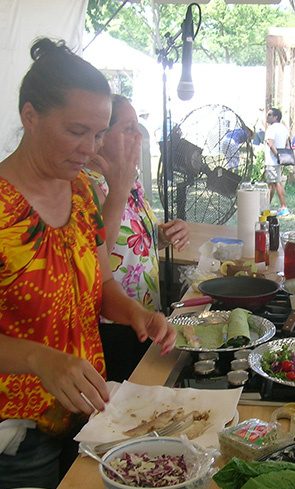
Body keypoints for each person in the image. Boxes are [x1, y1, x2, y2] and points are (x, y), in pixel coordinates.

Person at [0, 39, 177, 489]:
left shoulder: (80, 189)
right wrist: (38, 358)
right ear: (30, 116)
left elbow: (99, 286)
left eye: (99, 134)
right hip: (5, 430)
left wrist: (136, 314)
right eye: (77, 131)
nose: (91, 148)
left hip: (80, 411)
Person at [84, 95, 190, 382]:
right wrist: (118, 190)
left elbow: (137, 238)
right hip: (112, 320)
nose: (137, 135)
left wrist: (164, 236)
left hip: (143, 313)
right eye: (128, 127)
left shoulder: (129, 180)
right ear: (100, 136)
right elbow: (97, 256)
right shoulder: (86, 187)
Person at [264, 107, 291, 216]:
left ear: (276, 117)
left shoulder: (271, 129)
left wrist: (277, 156)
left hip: (272, 161)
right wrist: (283, 157)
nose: (267, 116)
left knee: (276, 182)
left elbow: (271, 144)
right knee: (271, 184)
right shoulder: (284, 128)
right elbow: (287, 145)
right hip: (279, 161)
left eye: (270, 114)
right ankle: (266, 207)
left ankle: (284, 207)